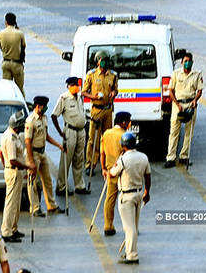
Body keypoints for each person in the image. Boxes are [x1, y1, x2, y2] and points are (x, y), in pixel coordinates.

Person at [109, 132, 151, 264]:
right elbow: (148, 176)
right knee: (134, 225)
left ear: (123, 145)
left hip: (127, 196)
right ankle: (129, 251)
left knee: (129, 228)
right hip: (139, 194)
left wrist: (108, 171)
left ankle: (132, 255)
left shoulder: (123, 159)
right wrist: (147, 192)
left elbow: (112, 173)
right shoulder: (143, 157)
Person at [25, 96, 65, 217]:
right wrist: (31, 161)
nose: (46, 108)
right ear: (38, 106)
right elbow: (27, 141)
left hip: (42, 153)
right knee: (33, 183)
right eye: (44, 106)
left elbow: (46, 136)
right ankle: (35, 207)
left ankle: (51, 205)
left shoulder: (44, 118)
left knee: (47, 180)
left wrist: (58, 145)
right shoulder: (31, 120)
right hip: (34, 154)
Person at [51, 77, 89, 196]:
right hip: (70, 131)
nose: (77, 87)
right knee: (66, 159)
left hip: (81, 131)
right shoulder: (64, 98)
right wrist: (60, 132)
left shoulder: (80, 97)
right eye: (74, 85)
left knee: (79, 159)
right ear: (69, 86)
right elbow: (54, 115)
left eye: (77, 85)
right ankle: (61, 186)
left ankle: (80, 185)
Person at [164, 52, 203, 168]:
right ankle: (170, 157)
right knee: (174, 132)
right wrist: (176, 103)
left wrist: (195, 100)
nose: (187, 63)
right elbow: (170, 91)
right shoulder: (176, 74)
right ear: (181, 62)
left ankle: (184, 156)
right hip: (178, 105)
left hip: (190, 104)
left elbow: (199, 91)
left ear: (192, 62)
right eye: (185, 61)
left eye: (189, 61)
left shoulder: (197, 75)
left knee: (188, 132)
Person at [82, 51, 118, 173]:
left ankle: (109, 163)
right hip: (96, 110)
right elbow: (84, 92)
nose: (105, 63)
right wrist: (93, 97)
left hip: (108, 110)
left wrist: (114, 93)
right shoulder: (91, 75)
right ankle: (90, 164)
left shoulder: (113, 75)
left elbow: (115, 89)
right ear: (98, 61)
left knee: (108, 138)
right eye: (102, 60)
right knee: (93, 139)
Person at [0, 109, 32, 242]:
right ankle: (6, 232)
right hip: (13, 171)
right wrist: (27, 167)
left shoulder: (11, 134)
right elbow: (12, 159)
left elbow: (1, 154)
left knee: (16, 202)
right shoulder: (10, 138)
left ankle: (13, 228)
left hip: (15, 171)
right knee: (11, 203)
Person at [100, 111, 131, 236]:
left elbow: (102, 153)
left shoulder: (106, 133)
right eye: (128, 121)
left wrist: (103, 169)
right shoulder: (125, 136)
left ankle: (108, 225)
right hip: (123, 172)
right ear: (123, 122)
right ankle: (130, 226)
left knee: (110, 199)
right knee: (127, 198)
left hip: (110, 171)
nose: (129, 124)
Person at [0, 13, 26, 96]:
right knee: (19, 89)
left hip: (6, 63)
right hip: (17, 64)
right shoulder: (20, 33)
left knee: (6, 90)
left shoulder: (0, 33)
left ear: (6, 22)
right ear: (15, 21)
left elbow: (1, 47)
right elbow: (23, 46)